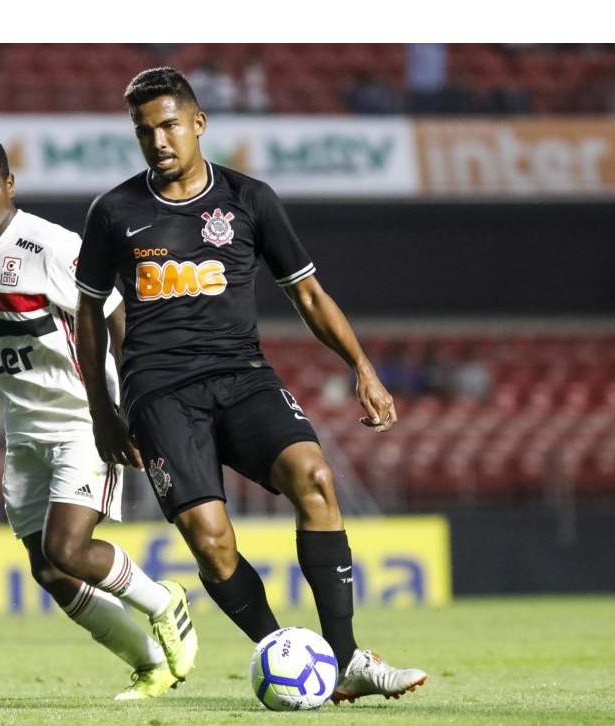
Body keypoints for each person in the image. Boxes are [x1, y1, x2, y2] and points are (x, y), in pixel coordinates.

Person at [74, 67, 428, 705]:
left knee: (315, 478)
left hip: (242, 376)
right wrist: (104, 411)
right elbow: (89, 315)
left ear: (199, 124)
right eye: (144, 130)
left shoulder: (249, 199)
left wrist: (362, 366)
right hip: (160, 394)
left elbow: (309, 295)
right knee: (211, 544)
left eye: (170, 125)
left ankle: (344, 659)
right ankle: (285, 653)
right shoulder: (113, 212)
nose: (158, 140)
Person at [0, 134, 198, 700]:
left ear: (9, 185)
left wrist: (126, 404)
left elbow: (113, 313)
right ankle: (149, 663)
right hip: (24, 431)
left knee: (67, 549)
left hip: (83, 422)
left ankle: (165, 602)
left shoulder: (50, 246)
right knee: (51, 572)